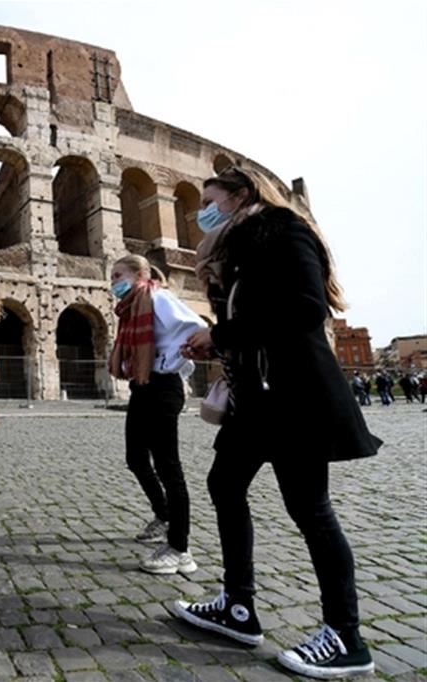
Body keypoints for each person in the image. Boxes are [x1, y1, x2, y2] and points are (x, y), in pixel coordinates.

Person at [178, 167, 380, 679]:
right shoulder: (235, 251)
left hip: (296, 396)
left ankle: (346, 637)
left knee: (310, 510)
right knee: (224, 484)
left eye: (209, 200)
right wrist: (218, 337)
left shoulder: (285, 232)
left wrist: (223, 335)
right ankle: (238, 607)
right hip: (258, 398)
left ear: (240, 196)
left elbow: (307, 309)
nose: (200, 210)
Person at [109, 254, 207, 574]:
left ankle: (180, 548)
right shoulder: (130, 308)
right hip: (143, 385)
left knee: (169, 467)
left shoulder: (158, 298)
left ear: (140, 275)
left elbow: (197, 328)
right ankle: (164, 516)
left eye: (118, 275)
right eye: (111, 277)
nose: (113, 282)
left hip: (163, 387)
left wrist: (170, 364)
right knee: (136, 458)